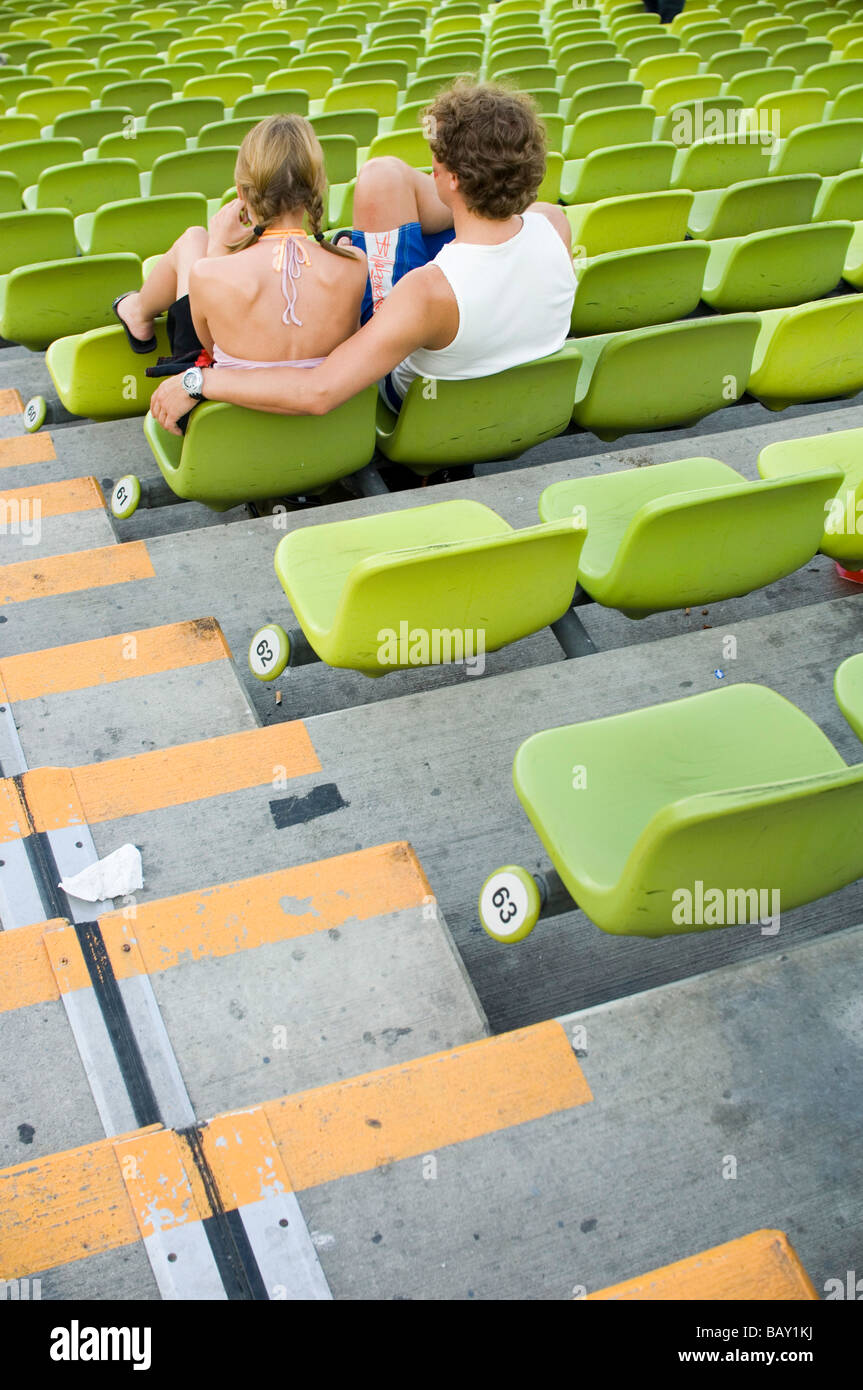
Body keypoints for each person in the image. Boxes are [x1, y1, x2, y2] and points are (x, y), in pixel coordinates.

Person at [149, 81, 576, 434]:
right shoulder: (552, 224)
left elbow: (318, 392)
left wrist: (198, 380)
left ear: (451, 179)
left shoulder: (426, 292)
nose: (430, 170)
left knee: (377, 183)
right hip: (519, 384)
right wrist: (490, 177)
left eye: (437, 164)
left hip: (420, 401)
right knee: (383, 175)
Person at [112, 114, 367, 416]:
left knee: (194, 238)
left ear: (242, 193)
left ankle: (138, 311)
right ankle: (138, 309)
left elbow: (211, 344)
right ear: (317, 187)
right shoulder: (355, 264)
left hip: (223, 419)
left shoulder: (209, 273)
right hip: (331, 431)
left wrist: (218, 250)